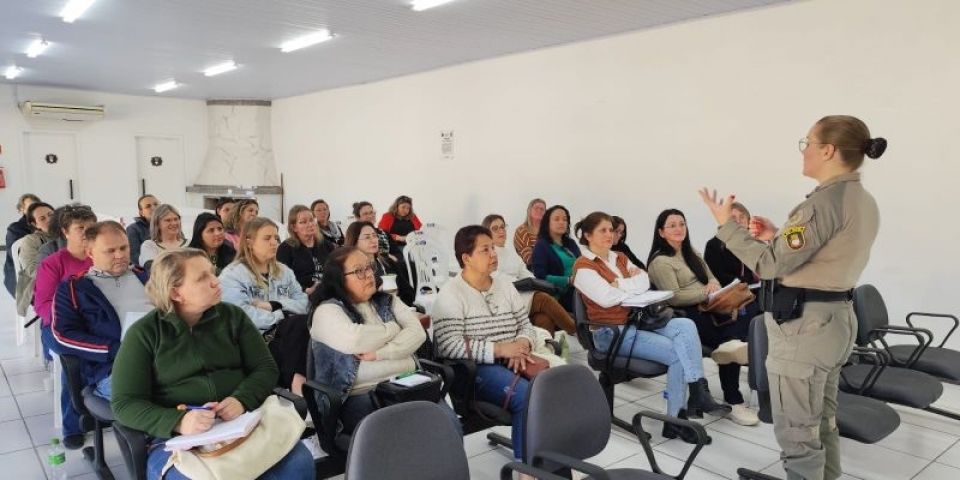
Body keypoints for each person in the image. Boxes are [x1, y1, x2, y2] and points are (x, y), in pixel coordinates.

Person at [699, 115, 885, 480]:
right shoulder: (860, 199)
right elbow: (817, 252)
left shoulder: (820, 204)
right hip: (834, 321)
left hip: (805, 330)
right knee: (822, 424)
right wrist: (777, 235)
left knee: (798, 435)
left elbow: (768, 266)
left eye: (808, 143)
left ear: (828, 150)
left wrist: (728, 226)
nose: (804, 151)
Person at [110, 248, 314, 480]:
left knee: (297, 464)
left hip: (242, 423)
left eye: (212, 273)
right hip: (178, 439)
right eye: (202, 278)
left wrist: (241, 399)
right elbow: (125, 403)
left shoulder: (232, 317)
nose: (215, 281)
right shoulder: (145, 334)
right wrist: (178, 422)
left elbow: (265, 368)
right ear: (176, 292)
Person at [572, 212, 730, 442]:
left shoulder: (619, 258)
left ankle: (697, 390)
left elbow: (644, 279)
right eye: (603, 231)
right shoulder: (584, 267)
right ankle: (677, 419)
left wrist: (621, 285)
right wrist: (627, 286)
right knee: (678, 352)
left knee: (685, 324)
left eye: (611, 230)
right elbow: (607, 298)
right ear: (588, 235)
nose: (610, 235)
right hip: (610, 333)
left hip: (636, 323)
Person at [433, 225, 560, 464]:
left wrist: (521, 344)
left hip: (516, 357)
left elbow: (525, 325)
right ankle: (527, 471)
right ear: (466, 258)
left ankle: (556, 461)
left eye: (493, 248)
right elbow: (448, 345)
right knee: (528, 397)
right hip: (476, 369)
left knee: (557, 387)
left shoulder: (504, 285)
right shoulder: (451, 295)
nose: (494, 254)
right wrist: (501, 349)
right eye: (485, 250)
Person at [308, 246, 461, 435]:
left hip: (408, 384)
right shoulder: (326, 311)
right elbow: (356, 340)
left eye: (369, 267)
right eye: (359, 271)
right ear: (339, 279)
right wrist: (394, 328)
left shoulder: (387, 300)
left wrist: (380, 353)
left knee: (448, 424)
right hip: (362, 394)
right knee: (404, 437)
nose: (369, 274)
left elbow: (418, 333)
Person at [646, 208, 757, 426]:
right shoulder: (660, 262)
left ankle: (723, 388)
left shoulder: (692, 252)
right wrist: (704, 293)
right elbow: (674, 297)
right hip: (685, 314)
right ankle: (733, 399)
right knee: (729, 340)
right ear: (661, 232)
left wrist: (714, 287)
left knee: (748, 314)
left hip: (708, 307)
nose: (679, 229)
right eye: (672, 225)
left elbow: (711, 277)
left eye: (682, 223)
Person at [51, 221, 151, 401]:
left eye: (123, 248)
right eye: (110, 251)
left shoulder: (147, 277)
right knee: (152, 392)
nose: (120, 255)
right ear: (90, 253)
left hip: (161, 357)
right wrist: (115, 350)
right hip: (114, 367)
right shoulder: (75, 289)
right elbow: (62, 335)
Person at [34, 204, 97, 449]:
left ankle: (104, 408)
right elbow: (43, 305)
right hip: (60, 327)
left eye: (91, 227)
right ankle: (74, 424)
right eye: (80, 228)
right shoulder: (54, 263)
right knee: (75, 360)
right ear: (65, 231)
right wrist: (75, 317)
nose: (86, 232)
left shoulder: (100, 257)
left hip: (95, 324)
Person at [482, 214, 575, 335]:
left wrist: (538, 284)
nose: (501, 231)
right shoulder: (486, 253)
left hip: (521, 295)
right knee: (542, 299)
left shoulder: (510, 253)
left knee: (543, 319)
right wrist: (520, 283)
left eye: (503, 227)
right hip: (503, 299)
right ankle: (578, 331)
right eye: (495, 228)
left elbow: (525, 273)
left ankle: (547, 350)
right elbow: (495, 277)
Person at [220, 217, 308, 330]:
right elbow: (242, 316)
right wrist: (283, 315)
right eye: (267, 238)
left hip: (286, 335)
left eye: (276, 238)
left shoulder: (284, 271)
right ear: (249, 242)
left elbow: (304, 304)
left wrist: (275, 305)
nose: (274, 242)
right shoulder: (232, 275)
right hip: (252, 341)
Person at [344, 221, 416, 306]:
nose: (373, 240)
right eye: (367, 238)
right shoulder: (351, 271)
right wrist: (380, 294)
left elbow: (409, 293)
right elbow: (355, 304)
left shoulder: (387, 263)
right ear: (354, 241)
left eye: (374, 236)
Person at [531, 205, 580, 311]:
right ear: (547, 222)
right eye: (556, 219)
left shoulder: (570, 243)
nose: (561, 222)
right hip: (559, 294)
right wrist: (567, 280)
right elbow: (540, 276)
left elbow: (582, 263)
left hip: (580, 288)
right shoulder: (541, 246)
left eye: (564, 219)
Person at [278, 205, 335, 294]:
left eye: (312, 220)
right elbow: (282, 280)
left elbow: (337, 269)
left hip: (328, 290)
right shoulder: (286, 248)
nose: (310, 224)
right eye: (303, 222)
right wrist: (306, 290)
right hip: (301, 295)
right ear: (294, 227)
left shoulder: (326, 244)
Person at [705, 203, 761, 287]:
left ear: (748, 221)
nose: (738, 221)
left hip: (758, 294)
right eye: (733, 218)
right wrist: (750, 281)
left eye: (742, 217)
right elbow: (719, 277)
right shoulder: (714, 245)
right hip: (731, 295)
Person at [15, 201, 54, 317]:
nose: (49, 220)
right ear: (35, 224)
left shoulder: (69, 234)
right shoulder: (31, 241)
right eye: (42, 218)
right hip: (40, 288)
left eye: (51, 215)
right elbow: (32, 271)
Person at [5, 193, 41, 296]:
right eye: (30, 207)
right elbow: (18, 257)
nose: (34, 210)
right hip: (22, 277)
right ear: (22, 209)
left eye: (36, 206)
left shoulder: (42, 223)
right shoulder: (15, 228)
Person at [126, 194, 159, 266]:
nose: (153, 208)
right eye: (148, 206)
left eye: (156, 204)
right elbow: (134, 256)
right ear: (141, 213)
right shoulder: (133, 229)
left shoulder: (171, 225)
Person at [513, 198, 545, 266]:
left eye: (542, 209)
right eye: (536, 208)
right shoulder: (522, 230)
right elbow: (528, 259)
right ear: (529, 211)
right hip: (531, 270)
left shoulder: (549, 231)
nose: (539, 211)